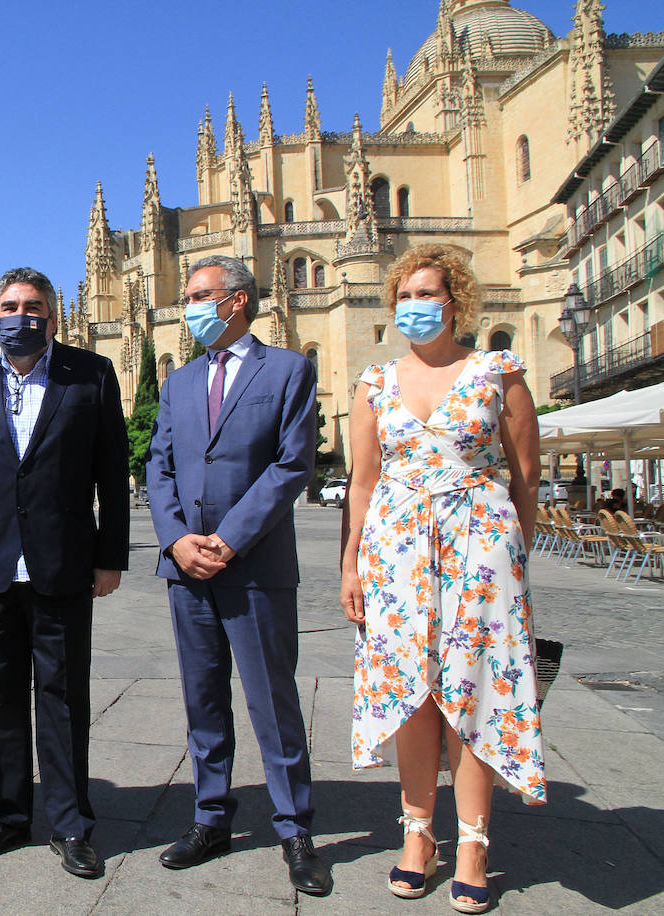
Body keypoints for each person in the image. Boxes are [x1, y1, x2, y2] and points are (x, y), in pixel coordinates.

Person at [341, 245, 544, 914]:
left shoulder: (496, 370)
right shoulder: (375, 381)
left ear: (456, 300)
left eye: (427, 293)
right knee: (412, 696)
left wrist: (512, 554)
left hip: (479, 552)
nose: (414, 306)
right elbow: (363, 484)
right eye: (403, 296)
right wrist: (351, 565)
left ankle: (474, 843)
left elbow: (526, 475)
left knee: (474, 691)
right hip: (396, 553)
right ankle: (417, 835)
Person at [145, 255, 331, 896]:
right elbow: (159, 467)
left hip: (254, 569)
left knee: (274, 703)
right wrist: (175, 540)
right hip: (187, 572)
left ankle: (295, 829)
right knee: (203, 700)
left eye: (200, 295)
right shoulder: (178, 382)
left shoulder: (289, 370)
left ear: (239, 301)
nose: (189, 306)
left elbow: (291, 464)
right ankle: (210, 817)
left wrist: (226, 540)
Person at [0, 267, 129, 879]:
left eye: (35, 306)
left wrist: (110, 556)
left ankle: (71, 822)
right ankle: (7, 815)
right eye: (12, 305)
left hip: (64, 565)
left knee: (65, 698)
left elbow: (110, 473)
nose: (23, 315)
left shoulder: (91, 373)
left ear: (51, 313)